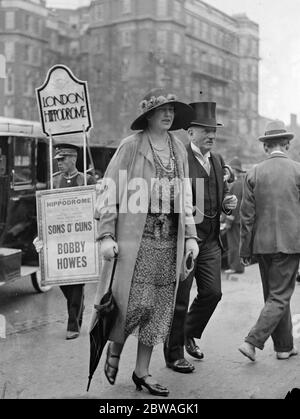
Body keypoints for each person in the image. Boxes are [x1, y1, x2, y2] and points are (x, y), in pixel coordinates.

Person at [91, 88, 199, 397]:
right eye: (161, 110)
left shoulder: (178, 148)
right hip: (136, 242)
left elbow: (187, 197)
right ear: (148, 115)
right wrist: (107, 235)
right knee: (131, 305)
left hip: (169, 244)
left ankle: (142, 372)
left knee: (159, 311)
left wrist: (191, 236)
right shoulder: (131, 146)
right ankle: (115, 345)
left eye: (172, 110)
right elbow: (108, 191)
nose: (168, 115)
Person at [164, 101, 237, 373]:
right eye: (205, 130)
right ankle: (173, 355)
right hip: (184, 240)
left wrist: (226, 204)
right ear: (189, 132)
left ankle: (188, 333)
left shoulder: (217, 160)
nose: (211, 135)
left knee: (213, 293)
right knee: (180, 299)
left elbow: (218, 198)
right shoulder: (179, 159)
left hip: (210, 241)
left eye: (213, 130)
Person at [238, 120, 300, 362]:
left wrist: (245, 249)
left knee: (273, 296)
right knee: (280, 296)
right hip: (290, 243)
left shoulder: (253, 173)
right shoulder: (298, 171)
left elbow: (246, 217)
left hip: (262, 245)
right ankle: (251, 341)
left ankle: (284, 347)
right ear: (287, 144)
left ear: (266, 147)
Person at [34, 143, 96, 340]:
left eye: (63, 159)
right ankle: (78, 306)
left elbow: (95, 206)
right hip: (59, 240)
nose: (59, 163)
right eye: (58, 160)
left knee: (76, 281)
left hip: (81, 239)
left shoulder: (85, 180)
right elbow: (46, 210)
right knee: (62, 279)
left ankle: (73, 324)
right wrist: (42, 233)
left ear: (73, 159)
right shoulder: (54, 181)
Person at [224, 157, 246, 274]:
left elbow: (234, 205)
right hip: (240, 219)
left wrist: (228, 221)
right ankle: (239, 266)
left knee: (234, 244)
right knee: (238, 243)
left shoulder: (237, 184)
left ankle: (235, 267)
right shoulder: (241, 183)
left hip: (235, 219)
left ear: (233, 170)